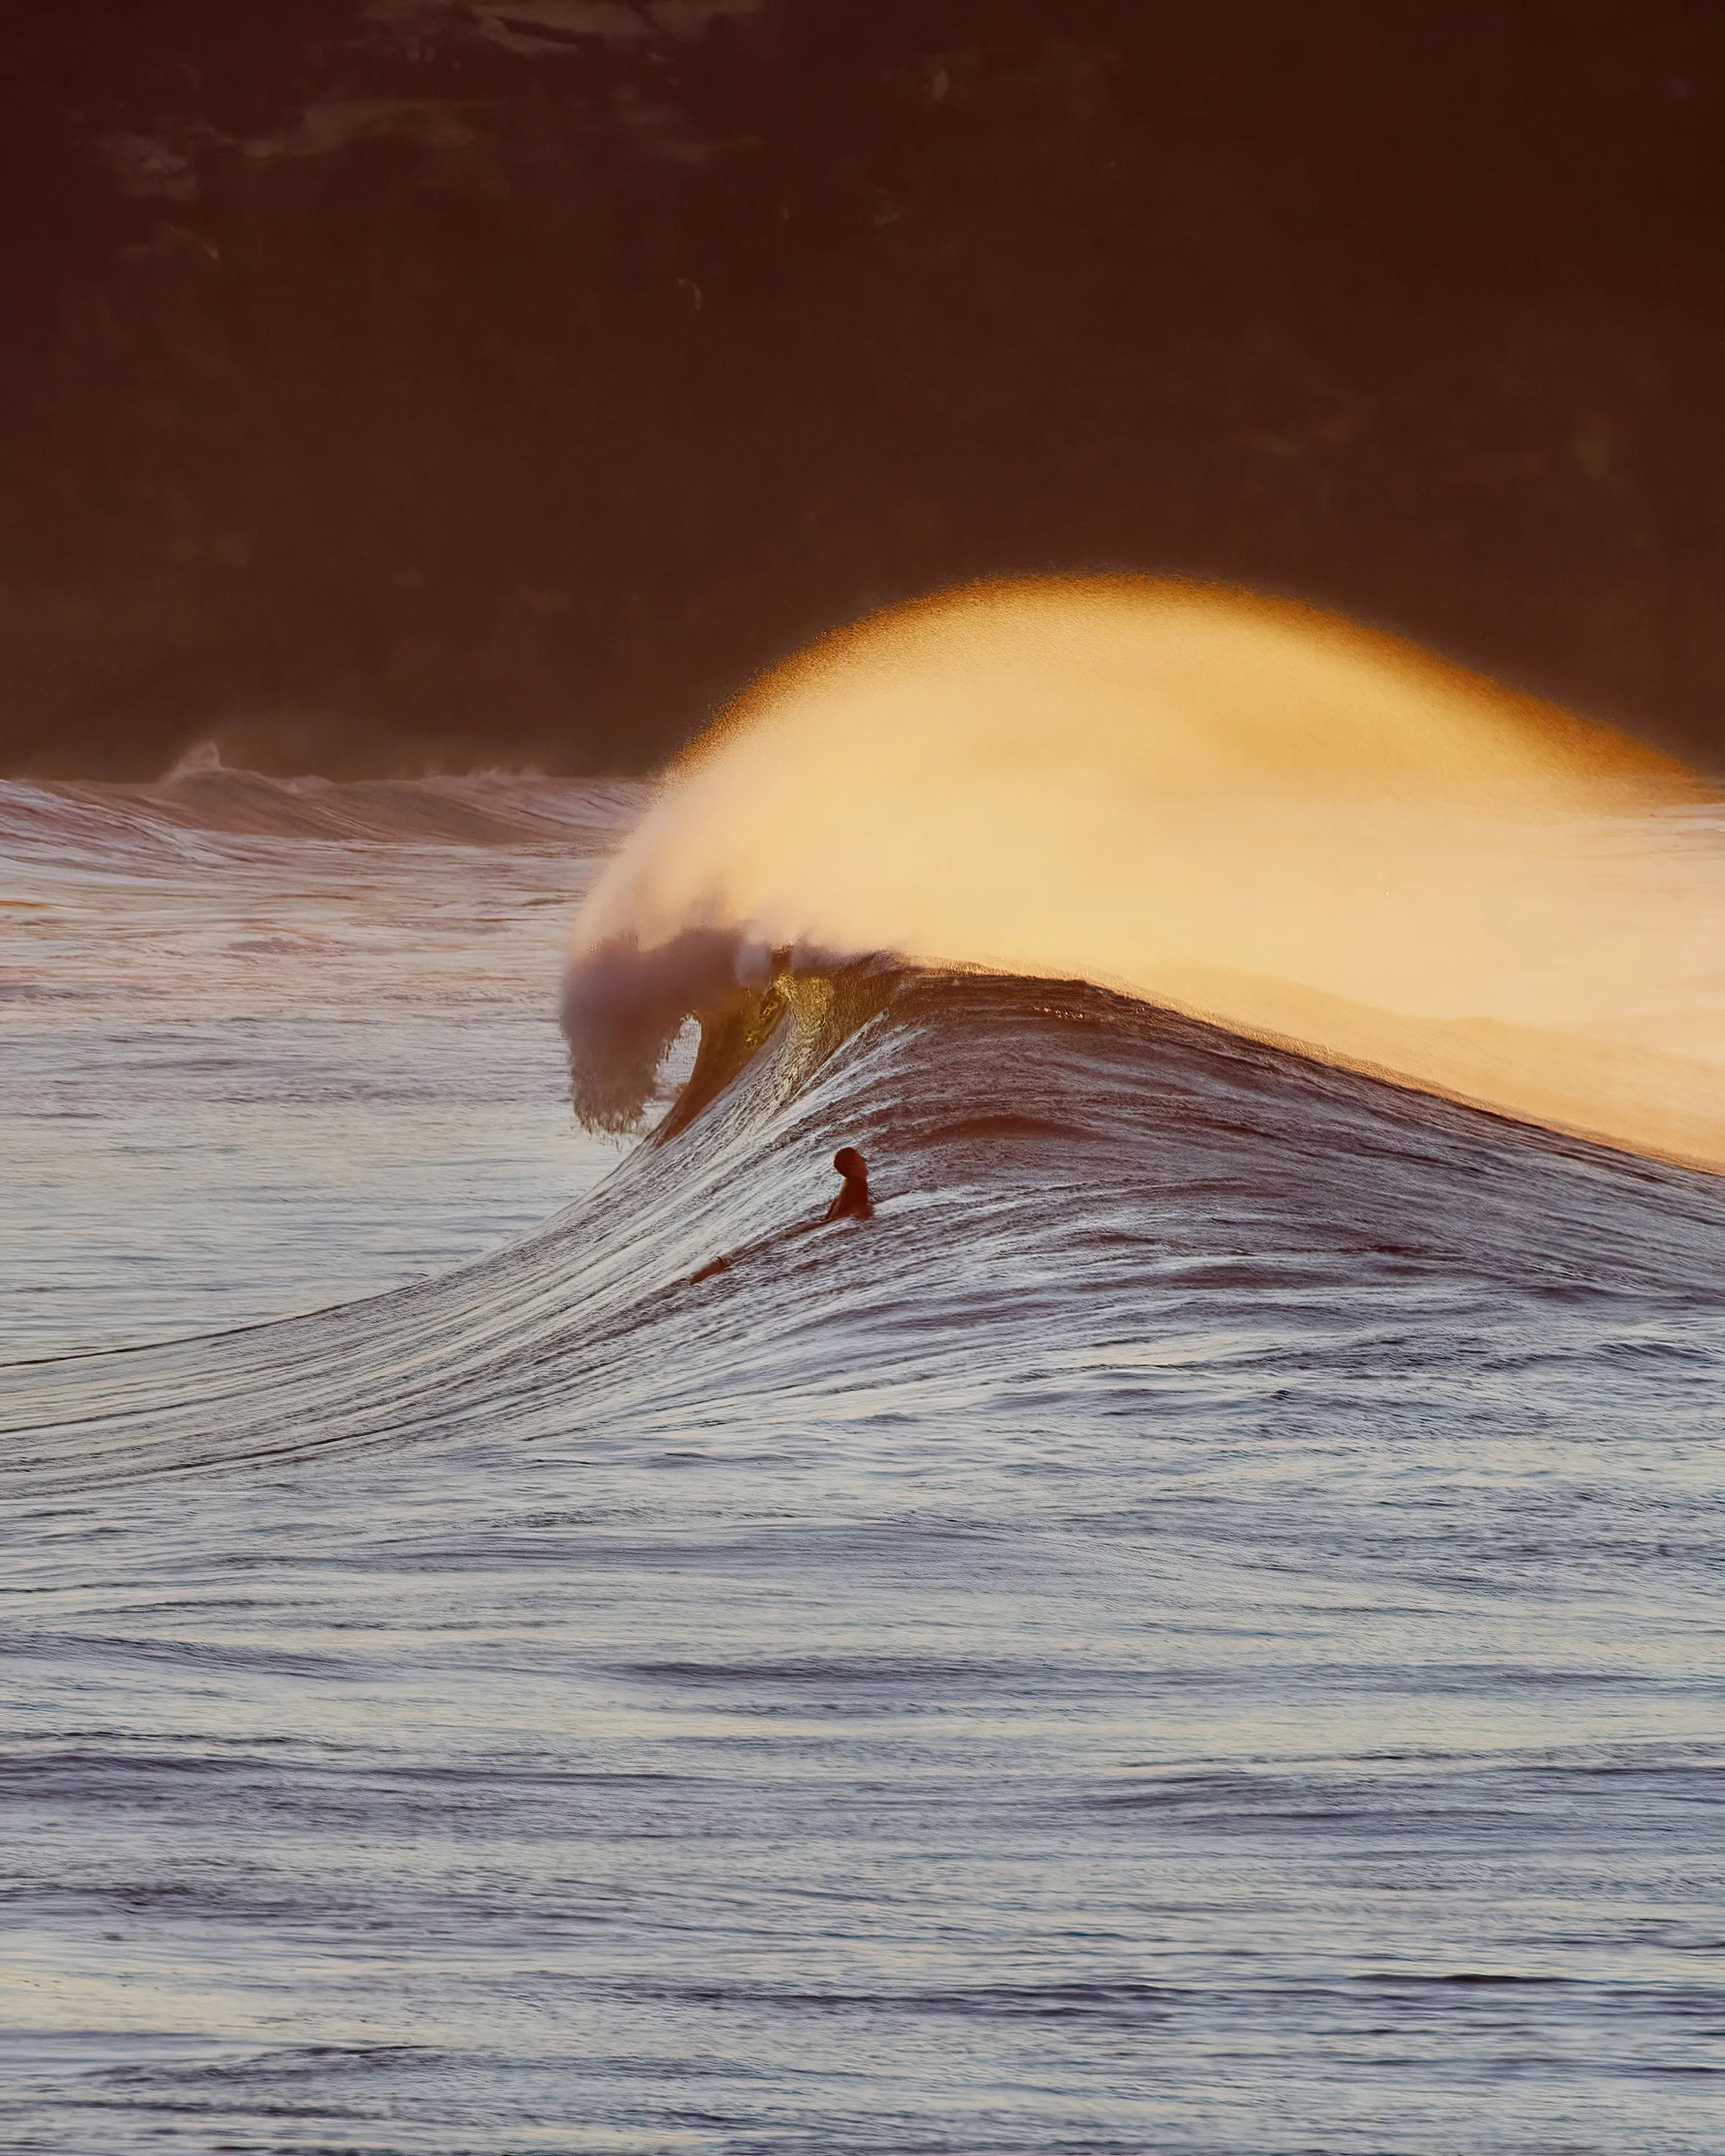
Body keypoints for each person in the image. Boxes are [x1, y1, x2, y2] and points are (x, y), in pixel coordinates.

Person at [825, 1146, 873, 1223]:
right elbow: (861, 1211)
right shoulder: (859, 1184)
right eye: (861, 1159)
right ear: (854, 1165)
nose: (865, 1161)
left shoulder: (847, 1186)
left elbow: (826, 1219)